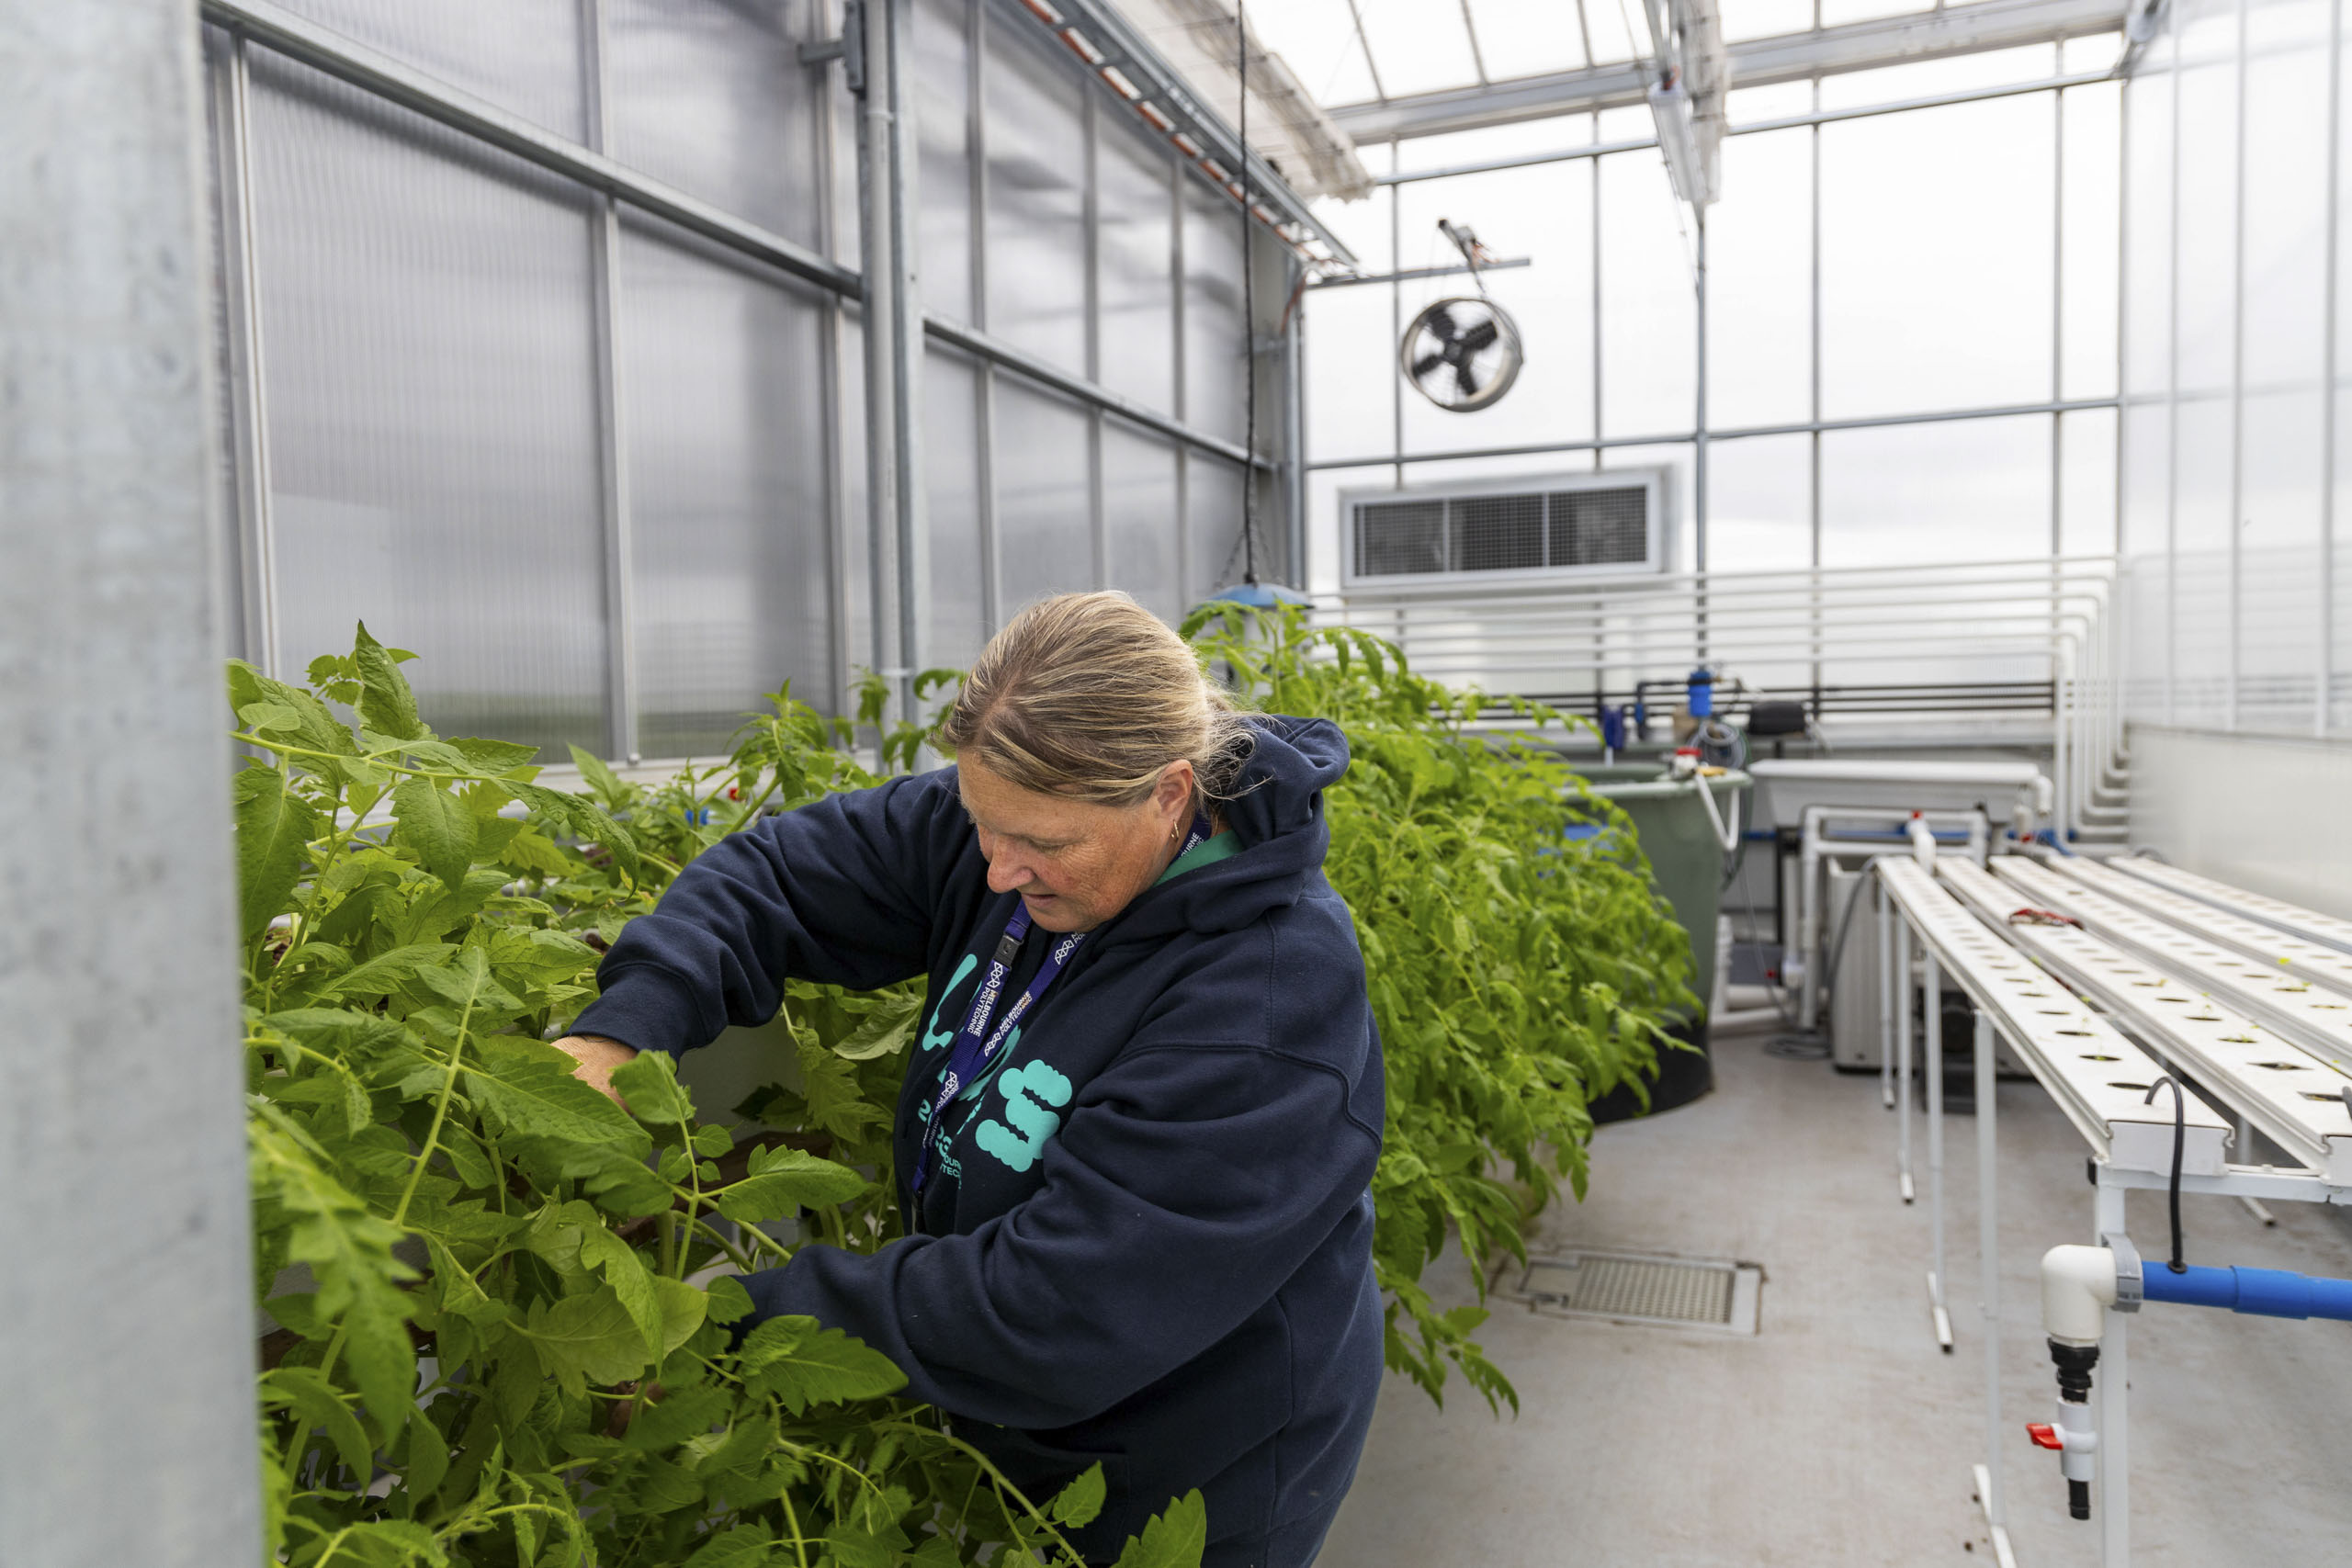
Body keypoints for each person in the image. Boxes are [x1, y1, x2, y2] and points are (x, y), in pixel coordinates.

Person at [555, 591, 1385, 1568]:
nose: (996, 872)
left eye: (1042, 845)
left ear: (1168, 793)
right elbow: (773, 875)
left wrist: (722, 1327)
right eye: (981, 823)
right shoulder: (1014, 821)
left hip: (1195, 1464)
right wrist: (621, 1034)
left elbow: (1059, 1314)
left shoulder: (1268, 1006)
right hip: (1008, 1434)